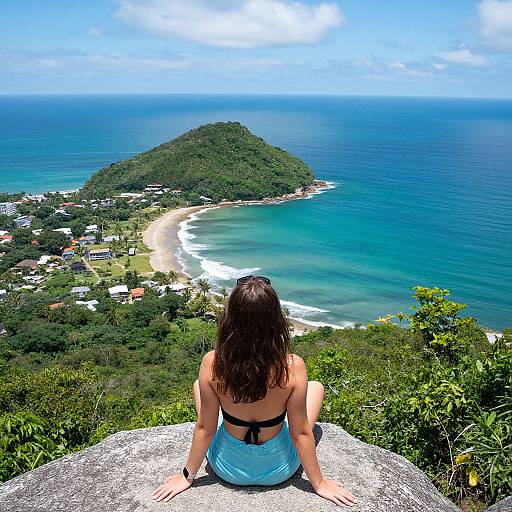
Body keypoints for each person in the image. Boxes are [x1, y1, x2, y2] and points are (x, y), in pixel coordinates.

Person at [153, 276, 356, 507]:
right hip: (279, 469)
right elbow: (300, 433)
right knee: (316, 387)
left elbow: (205, 428)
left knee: (199, 388)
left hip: (227, 467)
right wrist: (319, 484)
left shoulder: (212, 362)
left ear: (231, 317)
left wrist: (186, 476)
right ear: (275, 319)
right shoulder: (292, 366)